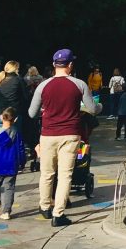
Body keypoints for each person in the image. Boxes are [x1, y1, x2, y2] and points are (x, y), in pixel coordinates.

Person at [28, 48, 96, 227]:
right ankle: (58, 214)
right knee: (65, 175)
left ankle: (44, 207)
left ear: (53, 65)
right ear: (71, 65)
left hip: (48, 134)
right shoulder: (79, 84)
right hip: (71, 134)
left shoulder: (43, 85)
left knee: (47, 173)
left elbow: (31, 113)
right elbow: (92, 109)